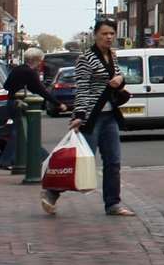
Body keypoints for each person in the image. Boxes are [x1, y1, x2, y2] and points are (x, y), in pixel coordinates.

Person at [43, 17, 133, 217]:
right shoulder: (85, 58)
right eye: (104, 34)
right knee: (82, 160)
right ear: (95, 35)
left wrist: (121, 79)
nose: (108, 37)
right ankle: (52, 192)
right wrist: (79, 115)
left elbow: (116, 77)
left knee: (113, 161)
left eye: (111, 33)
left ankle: (113, 204)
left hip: (110, 115)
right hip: (92, 116)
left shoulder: (113, 55)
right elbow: (82, 88)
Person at [0, 48, 52, 170]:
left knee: (22, 132)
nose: (40, 64)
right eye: (40, 61)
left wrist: (19, 87)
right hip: (20, 104)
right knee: (22, 132)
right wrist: (58, 103)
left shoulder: (17, 69)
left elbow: (6, 86)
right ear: (36, 60)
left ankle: (44, 157)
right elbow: (41, 90)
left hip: (11, 102)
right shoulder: (30, 72)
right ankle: (7, 161)